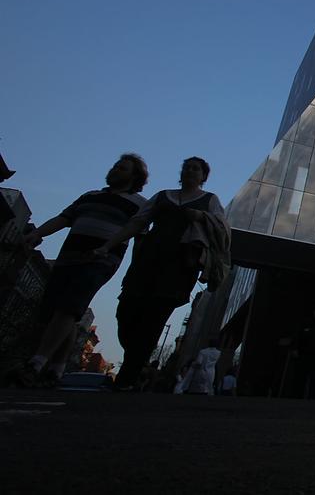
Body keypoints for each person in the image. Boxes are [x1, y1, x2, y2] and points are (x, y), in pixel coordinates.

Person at [7, 154, 149, 388]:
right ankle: (56, 369)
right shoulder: (90, 196)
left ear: (135, 177)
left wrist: (133, 270)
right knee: (61, 313)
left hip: (101, 261)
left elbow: (140, 236)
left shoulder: (139, 204)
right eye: (115, 166)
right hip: (68, 259)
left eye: (122, 168)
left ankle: (36, 363)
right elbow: (64, 218)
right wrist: (37, 233)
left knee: (69, 307)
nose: (115, 170)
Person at [99, 156, 230, 391]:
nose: (190, 171)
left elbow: (223, 229)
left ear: (203, 176)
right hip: (147, 261)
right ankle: (133, 363)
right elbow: (137, 222)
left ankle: (128, 375)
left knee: (154, 318)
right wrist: (108, 245)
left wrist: (201, 217)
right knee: (126, 311)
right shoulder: (162, 196)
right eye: (187, 168)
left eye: (195, 169)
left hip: (179, 267)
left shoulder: (209, 200)